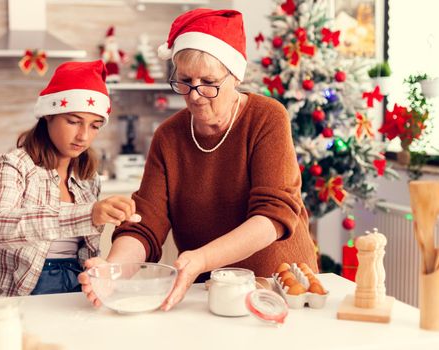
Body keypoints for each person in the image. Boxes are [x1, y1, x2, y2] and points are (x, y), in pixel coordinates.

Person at [79, 9, 317, 310]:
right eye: (185, 81)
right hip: (211, 292)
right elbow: (146, 223)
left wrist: (202, 258)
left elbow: (273, 217)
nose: (195, 95)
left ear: (234, 77)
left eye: (209, 82)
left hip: (279, 288)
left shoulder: (267, 118)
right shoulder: (169, 136)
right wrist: (112, 271)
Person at [0, 60, 139, 296]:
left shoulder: (88, 177)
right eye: (73, 121)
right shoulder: (14, 164)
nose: (83, 136)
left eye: (95, 126)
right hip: (19, 292)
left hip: (75, 282)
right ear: (48, 115)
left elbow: (87, 254)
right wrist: (88, 213)